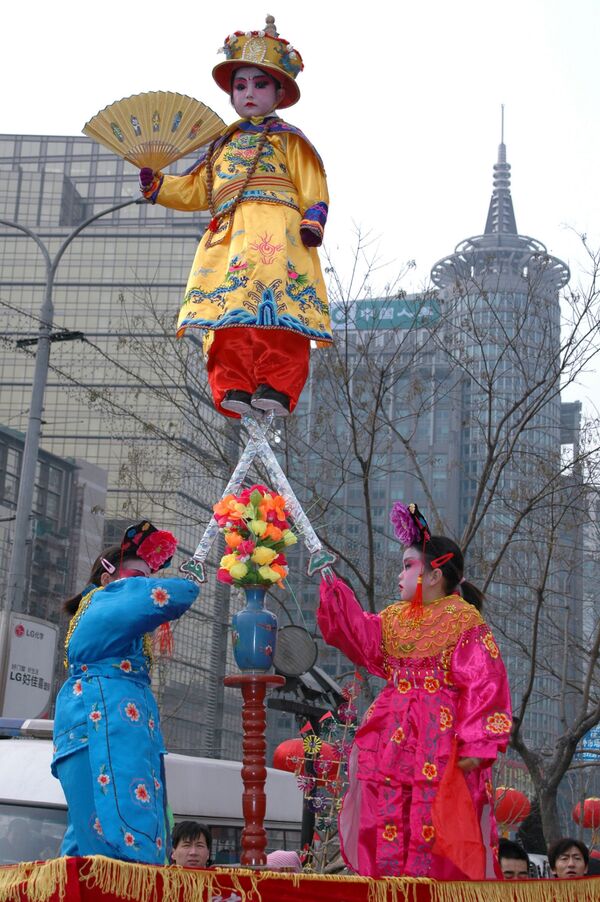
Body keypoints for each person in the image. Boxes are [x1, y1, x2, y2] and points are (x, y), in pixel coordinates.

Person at [140, 16, 331, 420]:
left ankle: (277, 383)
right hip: (228, 237)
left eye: (259, 84)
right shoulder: (222, 145)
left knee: (276, 308)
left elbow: (311, 183)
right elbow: (198, 190)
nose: (248, 93)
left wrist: (313, 218)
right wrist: (159, 185)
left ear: (279, 92)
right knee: (226, 313)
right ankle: (235, 383)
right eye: (240, 85)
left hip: (275, 233)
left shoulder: (289, 139)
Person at [317, 502, 512, 879]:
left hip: (439, 739)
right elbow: (357, 634)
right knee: (388, 811)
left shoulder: (462, 619)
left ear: (435, 575)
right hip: (392, 736)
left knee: (435, 820)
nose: (400, 575)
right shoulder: (393, 619)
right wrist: (333, 586)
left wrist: (477, 743)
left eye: (408, 566)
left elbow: (485, 681)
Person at [52, 520, 199, 864]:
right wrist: (186, 579)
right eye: (135, 579)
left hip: (110, 724)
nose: (143, 586)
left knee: (87, 835)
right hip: (103, 724)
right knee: (114, 830)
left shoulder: (111, 627)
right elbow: (176, 594)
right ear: (107, 579)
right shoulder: (100, 607)